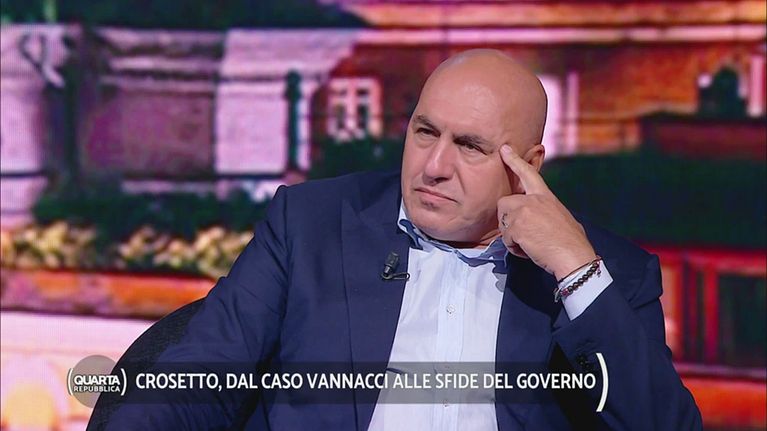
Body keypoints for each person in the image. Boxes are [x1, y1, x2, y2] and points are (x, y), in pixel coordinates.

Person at [103, 49, 702, 430]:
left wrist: (574, 269)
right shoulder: (311, 226)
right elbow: (194, 382)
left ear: (529, 165)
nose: (433, 166)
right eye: (424, 132)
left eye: (469, 147)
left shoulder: (606, 274)